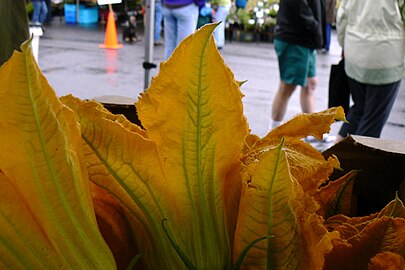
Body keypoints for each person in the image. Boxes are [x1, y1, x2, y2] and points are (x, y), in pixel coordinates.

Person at [334, 0, 405, 143]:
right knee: (372, 121)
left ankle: (334, 158)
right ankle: (358, 163)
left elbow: (342, 15)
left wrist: (344, 45)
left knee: (359, 109)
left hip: (355, 56)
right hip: (386, 61)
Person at [270, 0, 326, 132]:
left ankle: (311, 132)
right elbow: (299, 9)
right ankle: (273, 133)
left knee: (310, 84)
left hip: (306, 39)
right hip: (294, 38)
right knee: (287, 86)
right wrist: (316, 28)